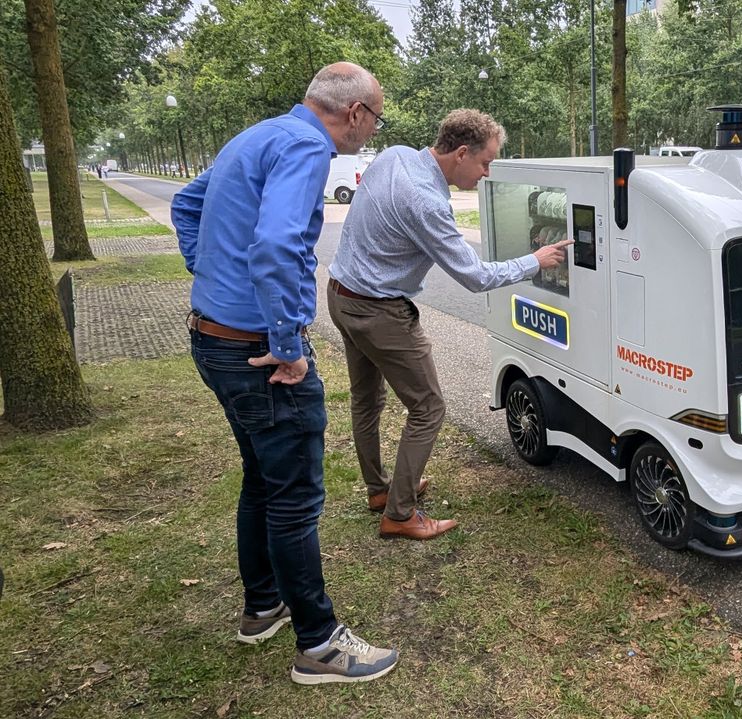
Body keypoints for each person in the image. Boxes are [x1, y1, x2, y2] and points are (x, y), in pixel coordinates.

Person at [171, 62, 398, 686]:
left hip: (212, 340)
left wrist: (212, 275)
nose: (370, 132)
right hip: (260, 354)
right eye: (375, 119)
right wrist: (286, 343)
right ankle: (320, 646)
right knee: (296, 497)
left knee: (262, 481)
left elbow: (187, 203)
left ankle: (262, 605)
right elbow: (276, 246)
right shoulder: (306, 146)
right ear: (354, 113)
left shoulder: (257, 135)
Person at [327, 109, 572, 540]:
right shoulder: (426, 201)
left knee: (366, 400)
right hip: (379, 311)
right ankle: (400, 514)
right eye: (485, 162)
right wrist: (535, 260)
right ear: (461, 153)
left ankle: (381, 491)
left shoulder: (395, 156)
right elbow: (475, 277)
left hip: (341, 295)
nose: (487, 172)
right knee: (428, 408)